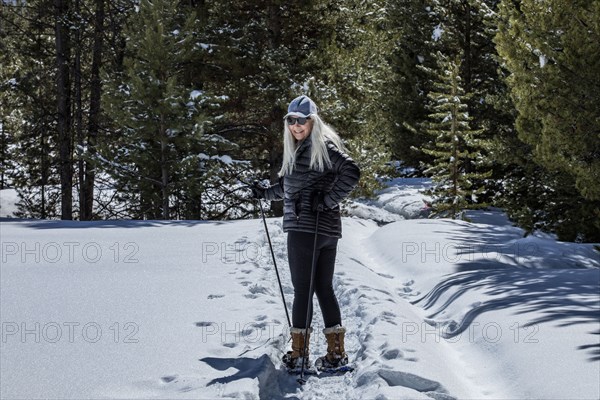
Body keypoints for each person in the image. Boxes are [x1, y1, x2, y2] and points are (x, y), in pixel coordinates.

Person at [251, 95, 360, 371]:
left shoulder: (320, 147)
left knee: (303, 290)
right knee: (323, 288)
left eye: (302, 120)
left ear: (313, 121)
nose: (296, 126)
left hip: (305, 230)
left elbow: (351, 171)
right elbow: (289, 187)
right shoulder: (308, 149)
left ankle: (299, 355)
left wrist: (326, 200)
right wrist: (264, 193)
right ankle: (336, 354)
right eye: (291, 120)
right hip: (327, 231)